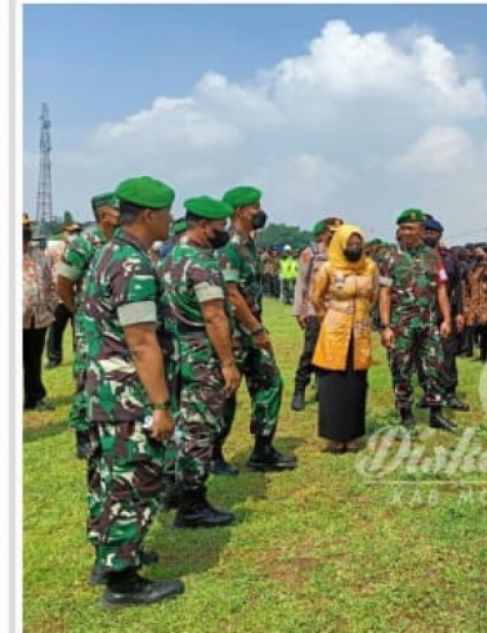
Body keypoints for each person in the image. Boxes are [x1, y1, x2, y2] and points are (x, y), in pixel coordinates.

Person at [79, 176, 183, 605]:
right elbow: (141, 341)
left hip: (104, 389)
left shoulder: (107, 254)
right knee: (134, 481)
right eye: (166, 213)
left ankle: (112, 557)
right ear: (148, 216)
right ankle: (123, 582)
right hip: (128, 394)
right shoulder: (132, 265)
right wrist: (160, 405)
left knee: (110, 478)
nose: (171, 220)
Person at [160, 196, 241, 529]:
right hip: (200, 358)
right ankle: (192, 504)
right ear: (203, 225)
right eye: (220, 227)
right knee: (199, 429)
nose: (223, 232)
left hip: (173, 356)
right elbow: (213, 315)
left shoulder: (168, 259)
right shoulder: (202, 263)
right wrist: (227, 363)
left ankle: (171, 489)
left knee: (178, 425)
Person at [217, 186, 297, 473]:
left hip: (250, 333)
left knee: (270, 383)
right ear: (240, 211)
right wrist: (256, 329)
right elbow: (231, 292)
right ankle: (213, 455)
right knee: (226, 393)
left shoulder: (249, 244)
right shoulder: (229, 245)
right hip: (234, 335)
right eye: (255, 206)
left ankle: (262, 450)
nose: (259, 211)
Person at [378, 208, 457, 432]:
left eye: (411, 228)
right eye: (403, 228)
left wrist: (447, 319)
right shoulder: (389, 256)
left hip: (428, 322)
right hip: (400, 323)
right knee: (401, 369)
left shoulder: (433, 256)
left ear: (422, 231)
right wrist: (385, 326)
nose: (406, 232)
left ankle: (436, 413)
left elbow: (442, 289)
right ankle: (405, 414)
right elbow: (384, 292)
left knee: (434, 368)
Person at [311, 224, 377, 453]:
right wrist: (327, 318)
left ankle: (353, 436)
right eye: (350, 243)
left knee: (356, 384)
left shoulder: (370, 267)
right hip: (334, 330)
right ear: (340, 243)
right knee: (334, 384)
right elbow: (316, 297)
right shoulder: (328, 268)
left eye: (358, 243)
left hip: (360, 330)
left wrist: (361, 314)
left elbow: (373, 295)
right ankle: (335, 437)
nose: (354, 247)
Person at [291, 218, 342, 411]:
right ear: (323, 234)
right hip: (314, 310)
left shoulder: (344, 255)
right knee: (310, 351)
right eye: (331, 232)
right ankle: (299, 390)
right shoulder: (310, 253)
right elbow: (301, 284)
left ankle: (326, 388)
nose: (334, 236)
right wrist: (299, 310)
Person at [425, 216, 470, 410]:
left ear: (439, 235)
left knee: (448, 353)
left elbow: (458, 286)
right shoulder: (415, 256)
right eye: (426, 232)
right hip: (422, 312)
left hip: (446, 312)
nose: (429, 236)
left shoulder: (449, 257)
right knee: (424, 356)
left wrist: (459, 312)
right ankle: (430, 393)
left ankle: (449, 393)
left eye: (432, 233)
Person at [22, 213, 56, 412]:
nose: (25, 232)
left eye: (27, 228)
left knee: (33, 359)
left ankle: (35, 397)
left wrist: (50, 306)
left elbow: (49, 282)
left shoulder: (39, 255)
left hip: (38, 318)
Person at [45, 221, 82, 368]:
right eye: (71, 232)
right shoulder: (54, 250)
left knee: (79, 330)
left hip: (78, 296)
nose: (74, 235)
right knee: (55, 329)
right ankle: (54, 358)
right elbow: (46, 270)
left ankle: (80, 358)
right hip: (59, 297)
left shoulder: (83, 249)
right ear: (63, 233)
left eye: (77, 232)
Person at [464, 243, 487, 362]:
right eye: (476, 251)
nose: (477, 253)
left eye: (480, 252)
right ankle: (484, 355)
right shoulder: (473, 267)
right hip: (477, 303)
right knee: (482, 330)